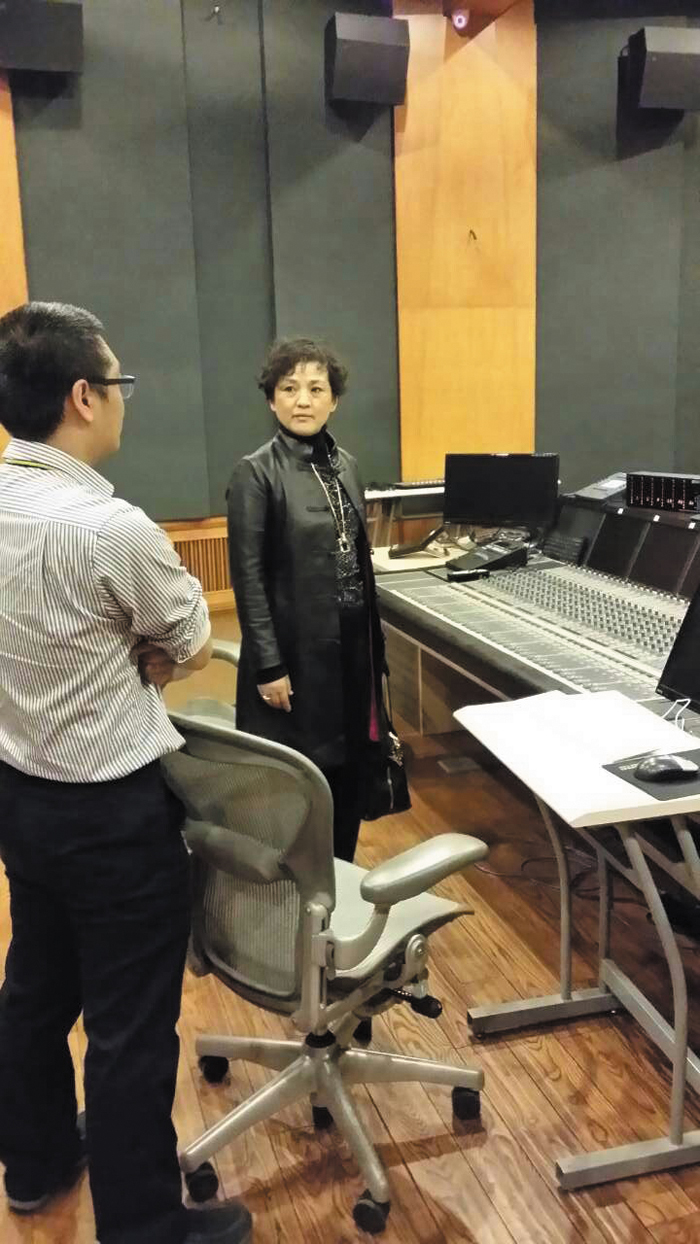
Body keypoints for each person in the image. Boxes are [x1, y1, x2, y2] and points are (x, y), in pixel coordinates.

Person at [0, 303, 252, 1244]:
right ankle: (144, 1225)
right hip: (111, 816)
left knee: (35, 991)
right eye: (119, 385)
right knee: (129, 1024)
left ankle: (33, 1163)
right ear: (82, 396)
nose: (122, 401)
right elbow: (189, 639)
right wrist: (146, 652)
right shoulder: (112, 529)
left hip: (19, 796)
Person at [226, 337, 385, 862]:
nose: (303, 400)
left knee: (351, 767)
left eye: (316, 389)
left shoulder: (348, 465)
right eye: (289, 388)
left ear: (333, 400)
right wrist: (268, 665)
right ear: (271, 399)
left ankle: (341, 873)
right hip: (293, 656)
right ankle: (297, 892)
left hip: (353, 651)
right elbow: (248, 579)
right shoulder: (255, 472)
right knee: (300, 779)